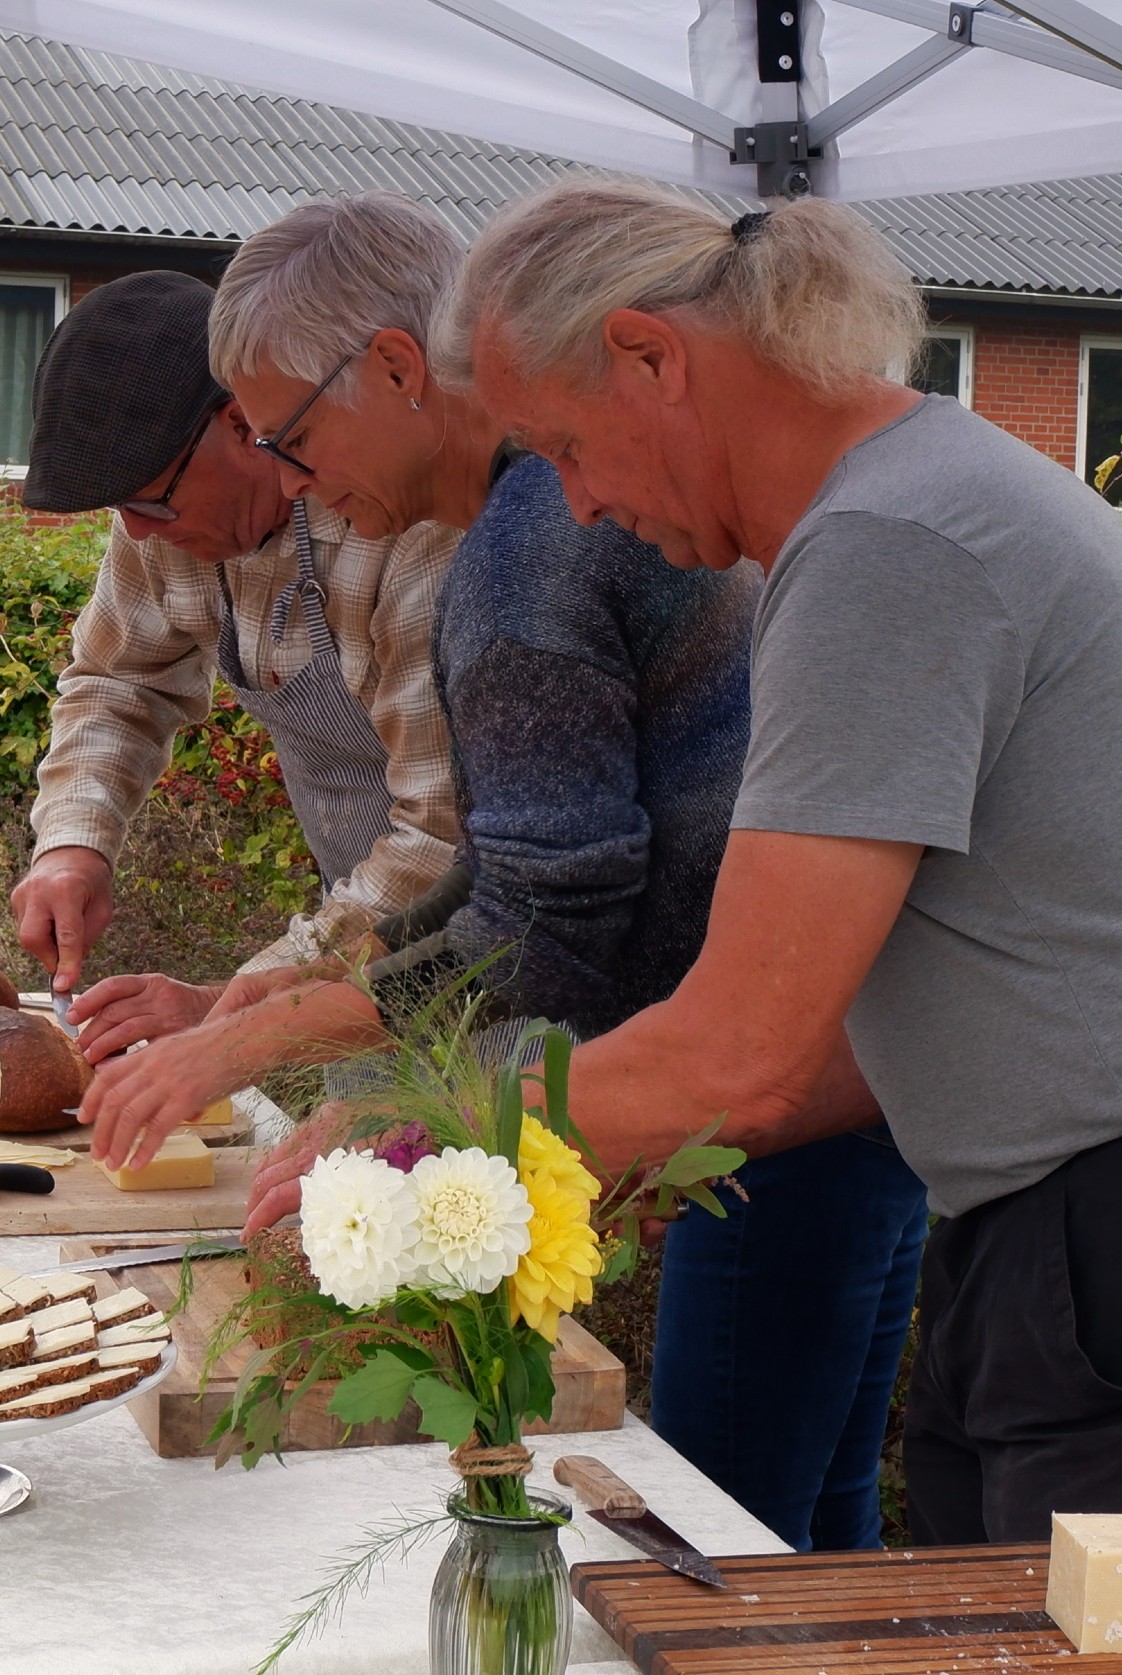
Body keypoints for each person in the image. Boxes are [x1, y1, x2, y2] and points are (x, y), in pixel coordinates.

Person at [433, 176, 1122, 1544]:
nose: (576, 508)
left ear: (653, 356)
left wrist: (413, 1142)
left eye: (563, 447)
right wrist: (627, 1138)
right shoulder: (894, 507)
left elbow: (738, 1052)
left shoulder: (889, 544)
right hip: (1093, 1210)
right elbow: (835, 1042)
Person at [78, 195, 930, 1552]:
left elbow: (543, 923)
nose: (291, 487)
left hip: (772, 1109)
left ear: (400, 372)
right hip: (863, 1083)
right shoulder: (534, 527)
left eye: (291, 439)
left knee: (716, 1553)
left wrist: (276, 1040)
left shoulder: (528, 550)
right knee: (815, 1532)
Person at [9, 271, 459, 1056]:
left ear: (241, 421)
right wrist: (73, 842)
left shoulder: (397, 524)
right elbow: (118, 682)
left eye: (152, 503)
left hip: (477, 969)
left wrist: (237, 1003)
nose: (139, 536)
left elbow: (440, 837)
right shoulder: (163, 526)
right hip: (345, 964)